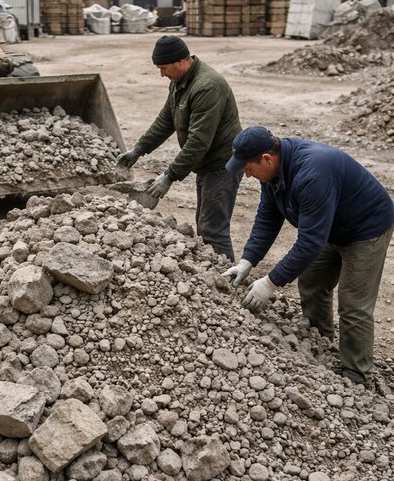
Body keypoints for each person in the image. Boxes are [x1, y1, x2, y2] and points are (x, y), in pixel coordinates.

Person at [222, 126, 394, 387]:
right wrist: (247, 261)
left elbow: (310, 243)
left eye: (248, 169)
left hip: (365, 230)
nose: (246, 175)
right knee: (312, 284)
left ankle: (357, 379)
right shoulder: (272, 175)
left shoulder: (313, 174)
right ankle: (322, 346)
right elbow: (267, 219)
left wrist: (270, 283)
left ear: (267, 159)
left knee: (353, 306)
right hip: (329, 227)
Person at [116, 35, 243, 261]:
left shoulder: (207, 87)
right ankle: (215, 277)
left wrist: (169, 176)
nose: (162, 74)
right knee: (205, 225)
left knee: (213, 228)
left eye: (164, 68)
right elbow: (166, 120)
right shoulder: (179, 83)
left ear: (181, 61)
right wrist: (139, 149)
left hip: (222, 164)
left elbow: (198, 141)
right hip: (206, 163)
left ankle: (227, 284)